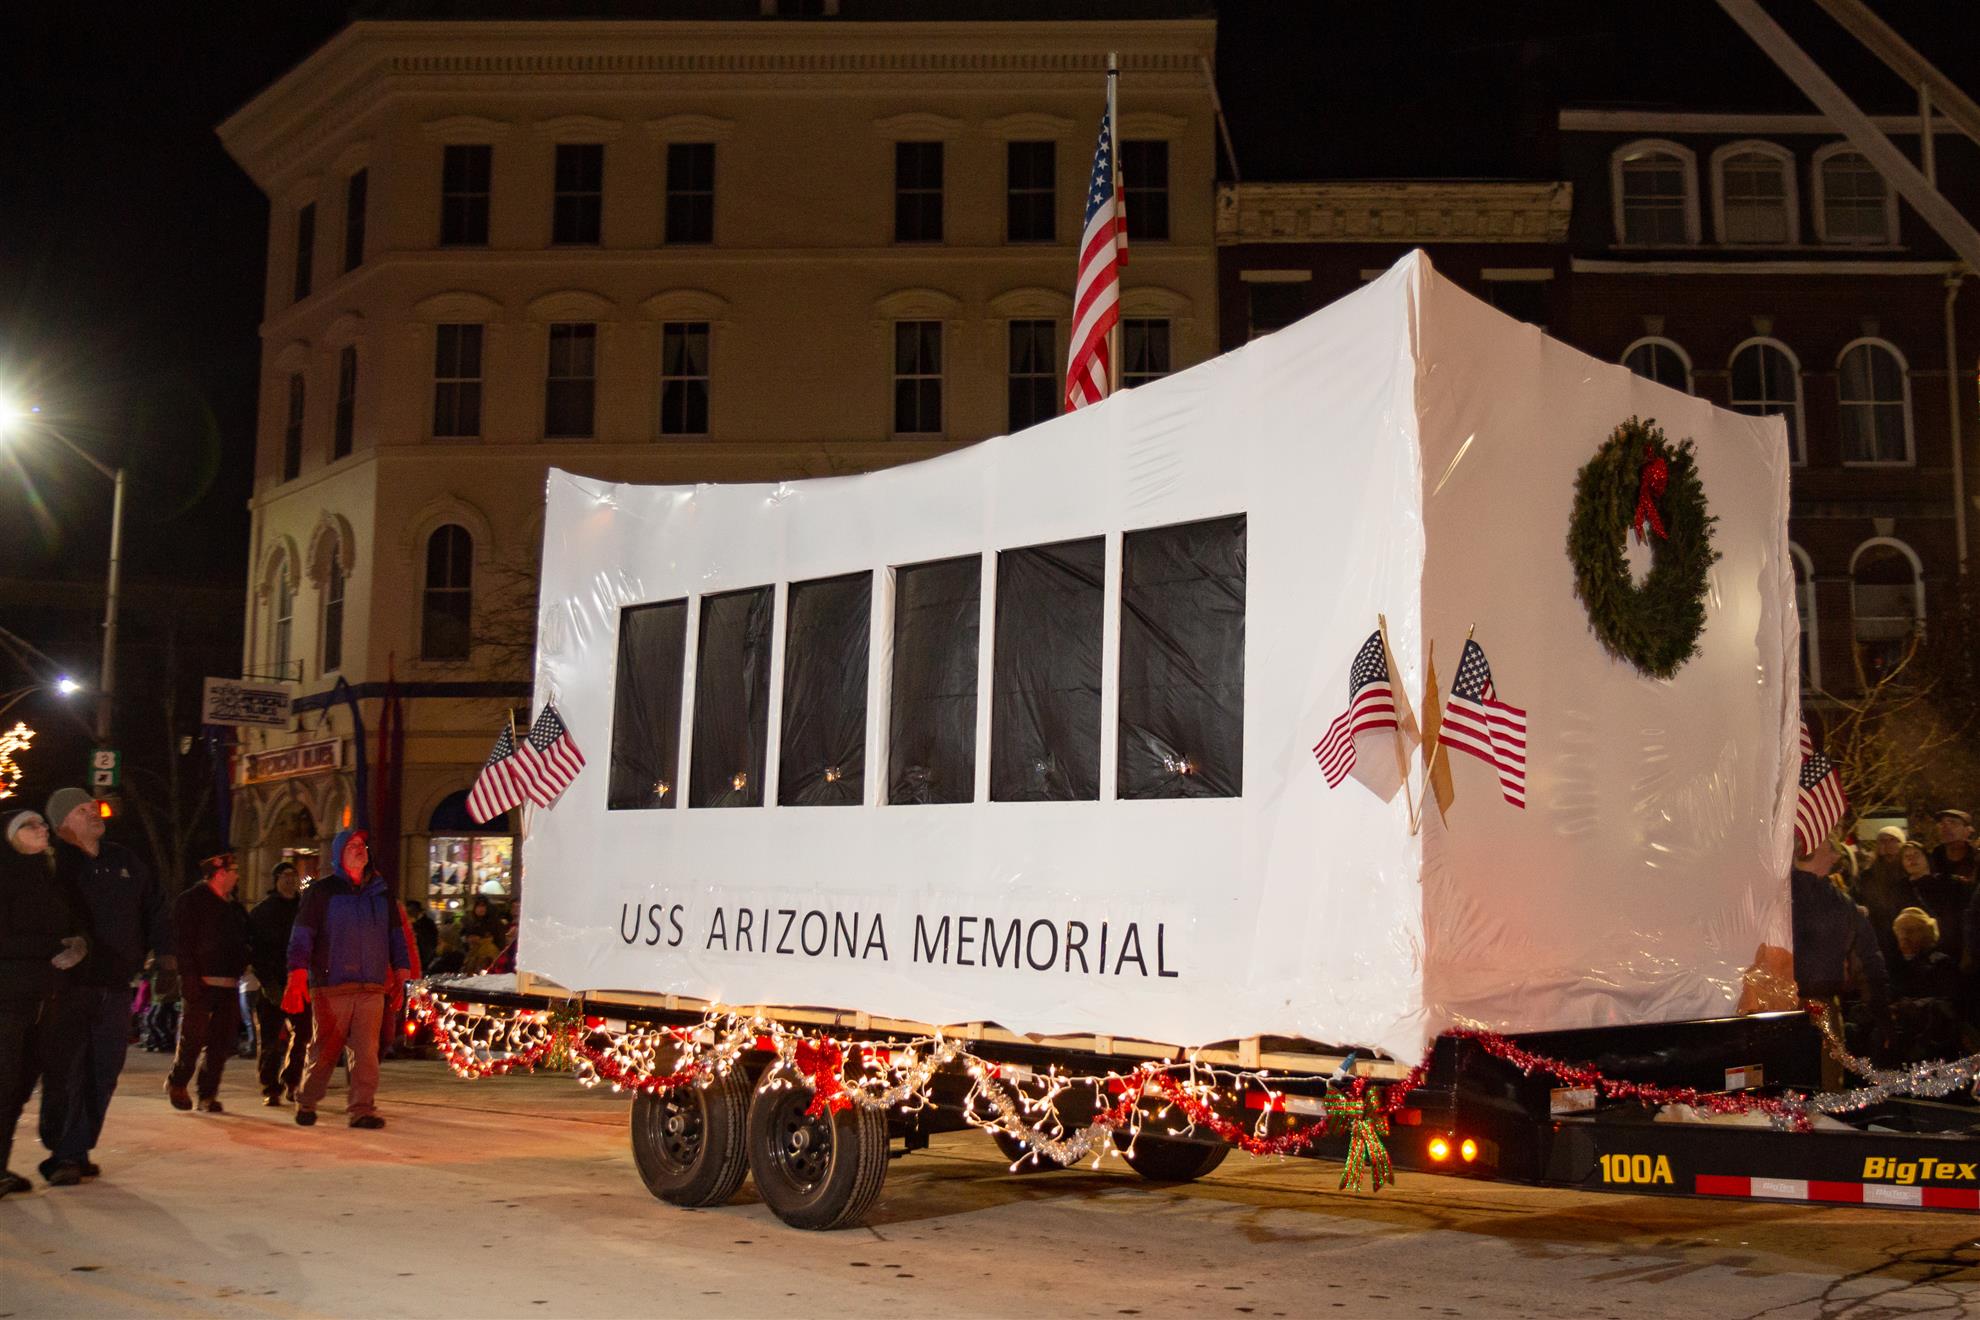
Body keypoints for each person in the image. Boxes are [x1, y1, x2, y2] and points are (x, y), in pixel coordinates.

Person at [38, 787, 170, 1186]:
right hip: (69, 985)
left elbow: (156, 907)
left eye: (94, 808)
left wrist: (167, 959)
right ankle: (63, 1151)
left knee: (104, 1070)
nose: (94, 813)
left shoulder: (124, 860)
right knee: (68, 1071)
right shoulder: (53, 864)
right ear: (63, 822)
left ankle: (77, 1149)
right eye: (83, 810)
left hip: (115, 985)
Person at [284, 828, 410, 1129]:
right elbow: (302, 935)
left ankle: (362, 1109)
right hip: (332, 986)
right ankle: (307, 1100)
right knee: (325, 1048)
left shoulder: (380, 892)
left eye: (362, 845)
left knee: (366, 1053)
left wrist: (402, 970)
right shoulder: (322, 892)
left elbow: (396, 936)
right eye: (352, 845)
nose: (359, 849)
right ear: (339, 853)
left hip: (371, 986)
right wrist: (297, 972)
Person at [1, 811, 86, 1197]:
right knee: (3, 1082)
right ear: (10, 836)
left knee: (20, 1085)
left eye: (41, 824)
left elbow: (70, 926)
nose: (43, 829)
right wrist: (52, 949)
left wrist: (80, 943)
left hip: (43, 996)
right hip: (8, 997)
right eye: (31, 825)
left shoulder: (48, 877)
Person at [1792, 835, 1889, 1078]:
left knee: (1817, 1079)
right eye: (1830, 848)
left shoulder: (1837, 902)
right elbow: (1868, 959)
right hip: (1797, 1005)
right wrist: (1882, 1014)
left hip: (1792, 1005)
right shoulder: (1837, 903)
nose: (1836, 855)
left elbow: (1867, 959)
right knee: (1825, 1083)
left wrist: (1880, 1012)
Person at [165, 853, 250, 1113]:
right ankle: (178, 1082)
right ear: (220, 873)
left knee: (220, 1044)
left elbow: (245, 939)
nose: (237, 875)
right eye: (233, 870)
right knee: (193, 1038)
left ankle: (208, 1094)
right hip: (200, 983)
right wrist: (188, 976)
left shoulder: (235, 908)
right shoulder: (191, 902)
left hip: (228, 984)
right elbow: (182, 942)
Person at [248, 861, 312, 1107]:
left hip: (299, 983)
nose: (290, 880)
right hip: (272, 984)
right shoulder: (263, 912)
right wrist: (268, 983)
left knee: (304, 1034)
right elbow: (256, 952)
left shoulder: (304, 909)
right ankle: (269, 1086)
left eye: (293, 875)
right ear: (275, 880)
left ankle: (292, 1080)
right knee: (270, 1039)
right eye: (285, 876)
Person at [1887, 906, 1961, 1063]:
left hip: (1929, 1033)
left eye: (1910, 931)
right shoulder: (1898, 966)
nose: (1904, 937)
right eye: (1901, 932)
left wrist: (1914, 1006)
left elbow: (1947, 1001)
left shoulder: (1940, 963)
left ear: (1926, 933)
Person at [1932, 809, 1978, 884]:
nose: (1945, 826)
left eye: (1953, 822)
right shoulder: (1936, 854)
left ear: (1967, 830)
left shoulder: (1975, 855)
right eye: (1941, 823)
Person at [405, 897, 438, 974]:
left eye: (409, 911)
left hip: (424, 956)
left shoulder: (427, 923)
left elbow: (429, 942)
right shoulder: (412, 922)